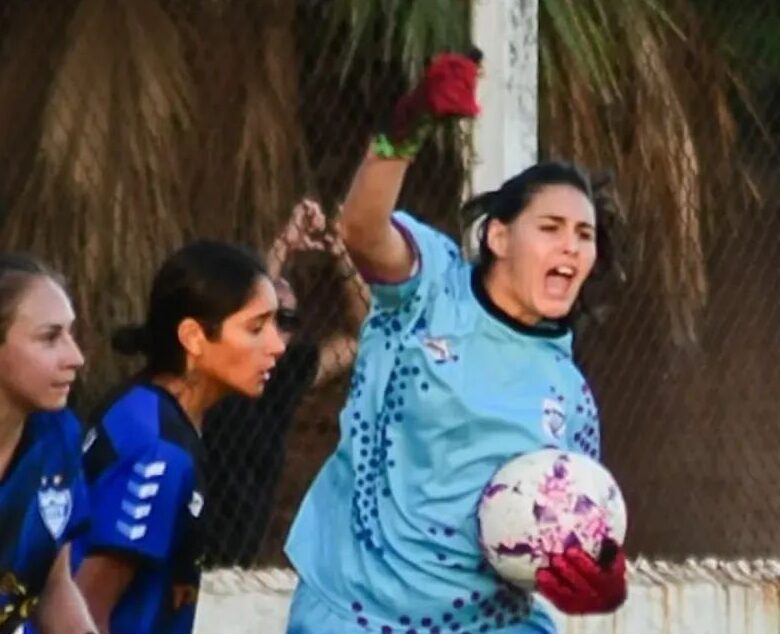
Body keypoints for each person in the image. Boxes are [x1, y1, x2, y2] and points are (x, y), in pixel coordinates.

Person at [284, 52, 627, 634]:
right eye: (551, 228)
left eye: (584, 234)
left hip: (488, 623)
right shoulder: (432, 288)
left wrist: (601, 578)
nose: (571, 246)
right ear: (498, 236)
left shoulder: (569, 394)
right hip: (355, 609)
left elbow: (577, 527)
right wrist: (404, 130)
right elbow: (361, 232)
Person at [70, 241, 286, 634]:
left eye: (277, 324)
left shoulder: (143, 405)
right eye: (256, 328)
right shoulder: (159, 452)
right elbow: (85, 611)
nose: (278, 346)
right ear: (193, 336)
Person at [203, 199, 368, 567]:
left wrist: (343, 257)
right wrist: (283, 246)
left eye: (287, 320)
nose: (275, 328)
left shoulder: (287, 373)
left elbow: (363, 334)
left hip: (242, 550)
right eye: (266, 317)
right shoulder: (218, 359)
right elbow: (239, 308)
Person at [0, 254, 96, 633]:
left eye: (70, 334)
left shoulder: (56, 437)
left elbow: (54, 586)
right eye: (49, 337)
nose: (76, 357)